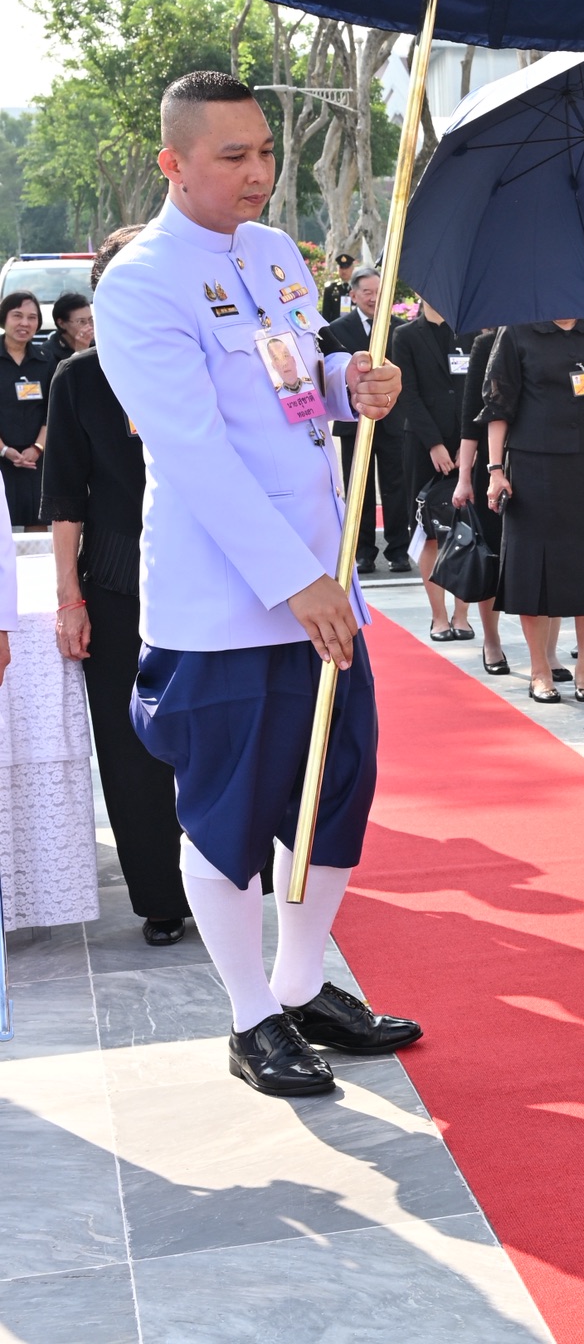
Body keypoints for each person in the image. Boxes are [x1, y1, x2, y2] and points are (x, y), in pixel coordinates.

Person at [95, 69, 420, 1098]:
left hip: (322, 579)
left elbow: (291, 386)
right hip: (227, 602)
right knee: (227, 815)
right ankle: (250, 1015)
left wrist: (349, 383)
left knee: (335, 790)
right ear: (172, 162)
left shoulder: (276, 253)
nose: (258, 172)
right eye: (233, 155)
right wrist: (294, 581)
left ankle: (303, 983)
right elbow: (194, 450)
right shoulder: (141, 283)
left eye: (266, 151)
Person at [44, 228, 185, 946]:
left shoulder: (201, 360)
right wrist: (69, 600)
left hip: (206, 573)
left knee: (217, 734)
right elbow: (65, 498)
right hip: (114, 581)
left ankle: (228, 875)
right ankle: (161, 897)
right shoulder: (78, 378)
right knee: (130, 750)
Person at [481, 317, 584, 703]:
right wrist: (495, 470)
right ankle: (540, 671)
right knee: (532, 566)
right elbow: (497, 405)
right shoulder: (517, 330)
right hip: (532, 465)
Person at [320, 271, 412, 575]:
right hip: (353, 422)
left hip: (392, 420)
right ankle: (362, 552)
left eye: (379, 292)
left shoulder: (398, 328)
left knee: (396, 486)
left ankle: (398, 551)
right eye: (368, 292)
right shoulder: (337, 329)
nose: (374, 298)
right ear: (354, 295)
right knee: (359, 488)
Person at [390, 298, 471, 641]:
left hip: (467, 443)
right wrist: (434, 444)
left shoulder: (468, 333)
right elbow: (407, 393)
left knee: (467, 529)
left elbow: (476, 391)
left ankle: (462, 615)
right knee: (429, 531)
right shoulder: (406, 335)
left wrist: (468, 443)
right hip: (423, 445)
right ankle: (439, 617)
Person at [450, 326, 511, 675]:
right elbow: (470, 418)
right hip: (491, 467)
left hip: (541, 461)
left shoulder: (556, 339)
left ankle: (548, 653)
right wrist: (463, 479)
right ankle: (492, 640)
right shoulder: (487, 344)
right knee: (490, 557)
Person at [0, 291, 53, 527]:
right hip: (2, 459)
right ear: (4, 318)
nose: (25, 323)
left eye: (32, 317)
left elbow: (52, 410)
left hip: (35, 460)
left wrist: (37, 448)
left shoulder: (46, 359)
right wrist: (5, 450)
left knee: (37, 522)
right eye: (17, 315)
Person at [46, 291, 95, 362]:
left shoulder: (97, 346)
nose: (89, 326)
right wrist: (80, 353)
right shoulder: (48, 353)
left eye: (90, 320)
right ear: (61, 323)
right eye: (81, 321)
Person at [320, 252, 356, 321]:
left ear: (352, 269)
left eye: (346, 268)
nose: (344, 271)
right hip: (335, 325)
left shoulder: (357, 288)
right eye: (341, 268)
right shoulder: (330, 289)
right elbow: (325, 314)